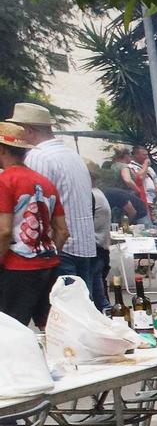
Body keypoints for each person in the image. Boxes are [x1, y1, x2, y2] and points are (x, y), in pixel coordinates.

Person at [11, 104, 96, 300]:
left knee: (63, 316)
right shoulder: (72, 156)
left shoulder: (39, 156)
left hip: (61, 247)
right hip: (83, 245)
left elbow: (36, 208)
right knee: (82, 313)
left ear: (29, 130)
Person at [0, 121, 67, 328]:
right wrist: (50, 255)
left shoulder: (5, 181)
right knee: (48, 328)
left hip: (16, 267)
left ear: (2, 149)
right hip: (48, 264)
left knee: (10, 329)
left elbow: (3, 231)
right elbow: (63, 231)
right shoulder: (45, 183)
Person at [122, 144, 157, 225]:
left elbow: (156, 184)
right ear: (136, 155)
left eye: (147, 155)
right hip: (142, 200)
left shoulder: (150, 169)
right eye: (144, 155)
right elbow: (140, 178)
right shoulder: (131, 167)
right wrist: (145, 165)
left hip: (153, 203)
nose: (147, 157)